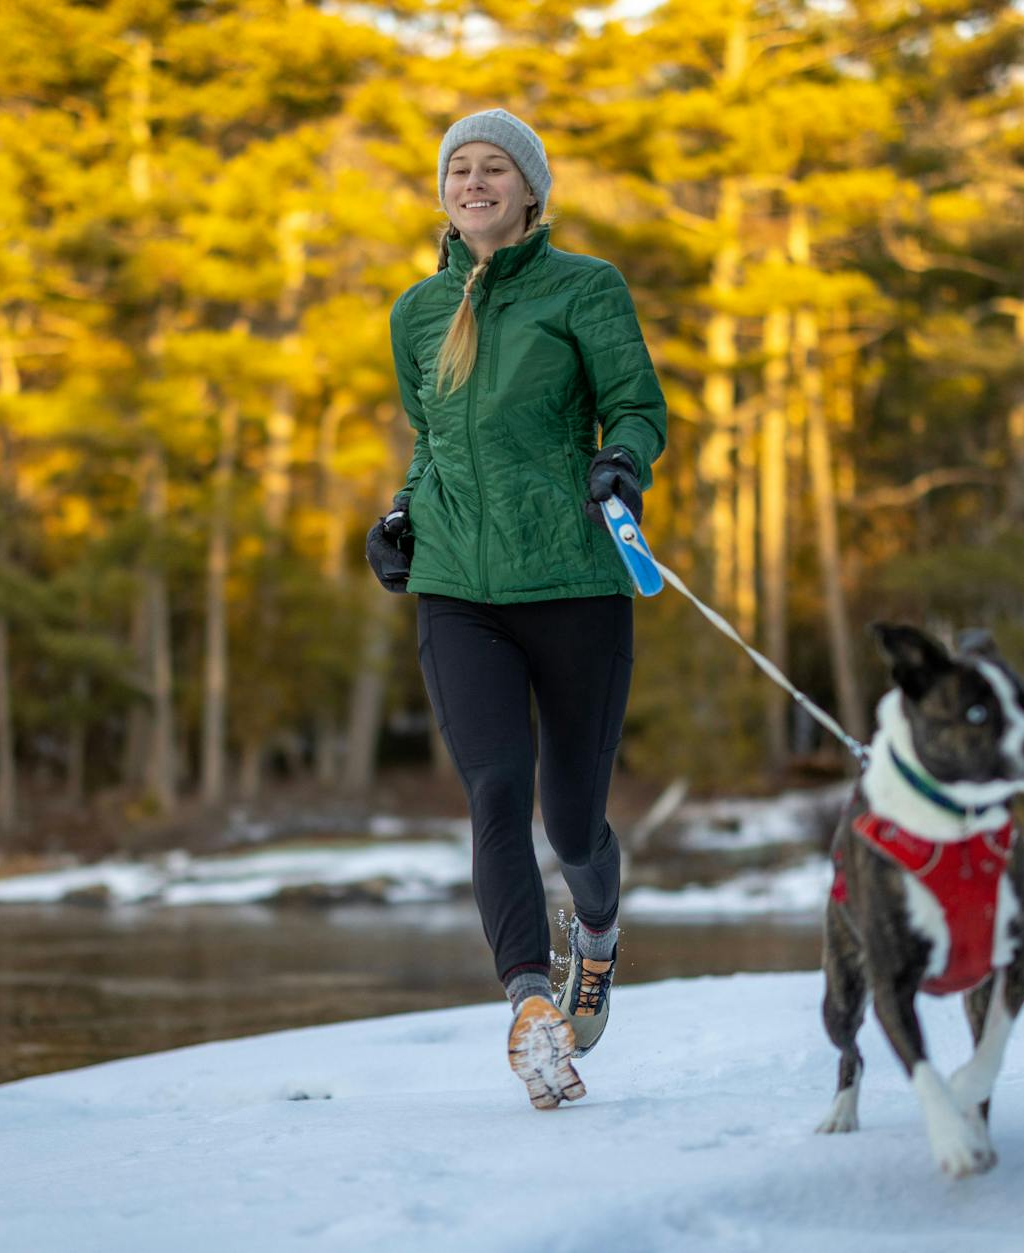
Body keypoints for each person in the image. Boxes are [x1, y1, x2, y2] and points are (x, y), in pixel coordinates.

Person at [365, 108, 667, 1110]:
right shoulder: (417, 310)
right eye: (459, 168)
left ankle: (597, 936)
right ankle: (532, 1006)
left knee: (572, 825)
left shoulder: (585, 287)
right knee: (496, 788)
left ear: (530, 191)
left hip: (574, 579)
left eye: (494, 167)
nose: (474, 182)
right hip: (459, 588)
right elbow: (433, 439)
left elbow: (635, 406)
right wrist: (402, 513)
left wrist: (620, 460)